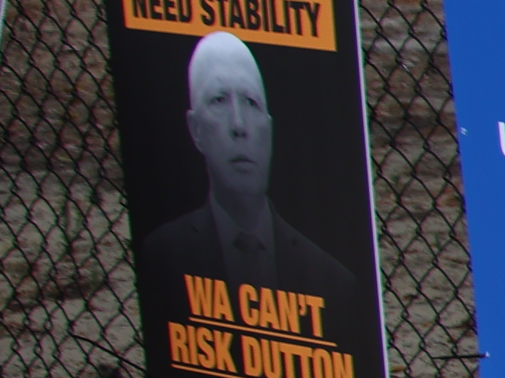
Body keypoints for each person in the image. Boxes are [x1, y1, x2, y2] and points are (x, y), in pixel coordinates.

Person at [132, 29, 364, 330]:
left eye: (251, 102)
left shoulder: (332, 283)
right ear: (196, 129)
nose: (239, 126)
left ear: (269, 129)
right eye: (218, 100)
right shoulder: (163, 258)